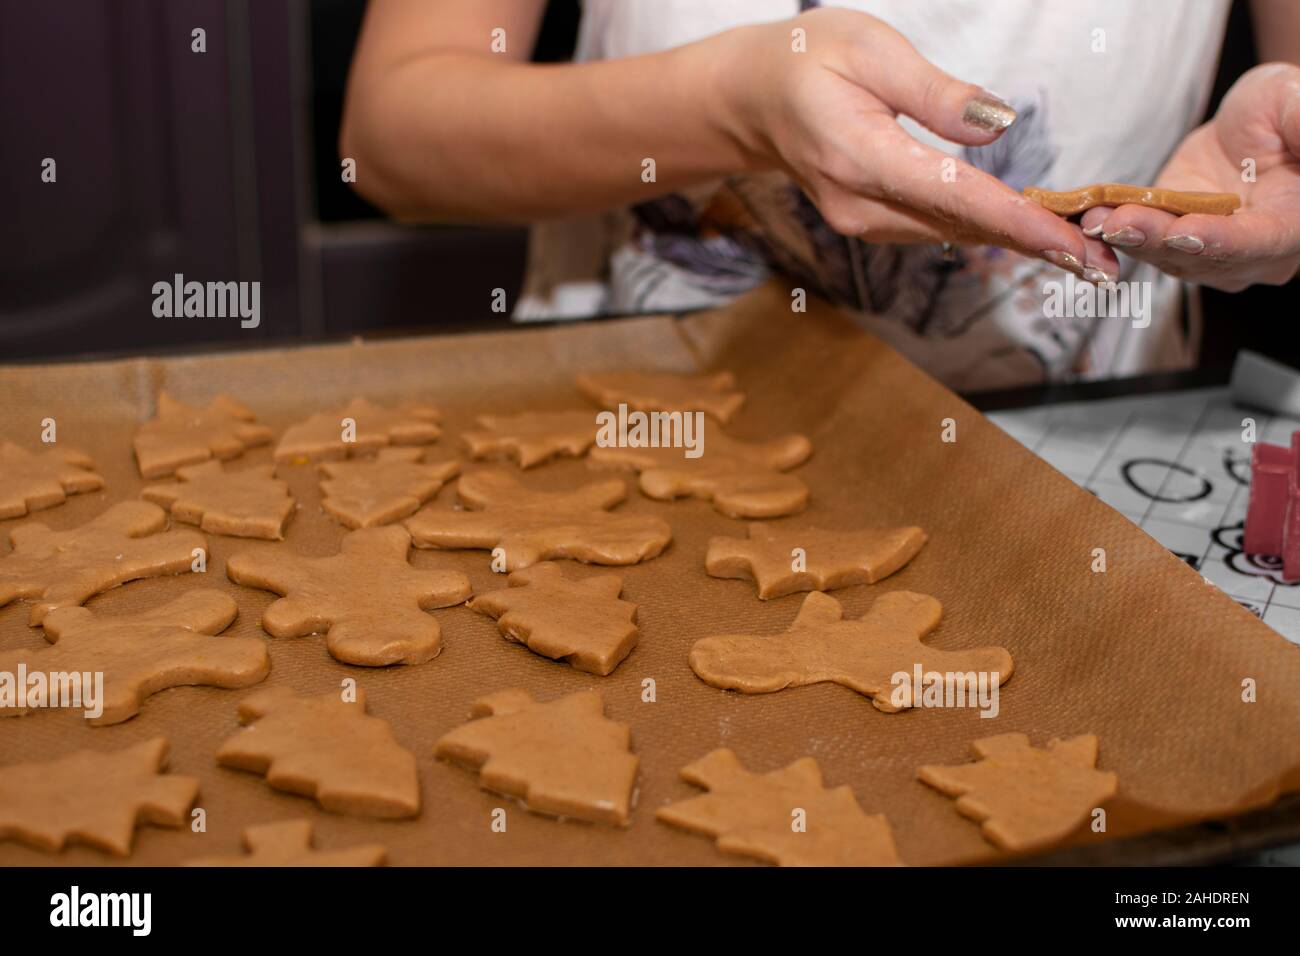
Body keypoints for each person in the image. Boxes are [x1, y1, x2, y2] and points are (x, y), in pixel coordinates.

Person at [341, 0, 1300, 390]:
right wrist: (730, 110)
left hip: (1080, 478)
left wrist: (1277, 169)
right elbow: (390, 135)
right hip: (627, 454)